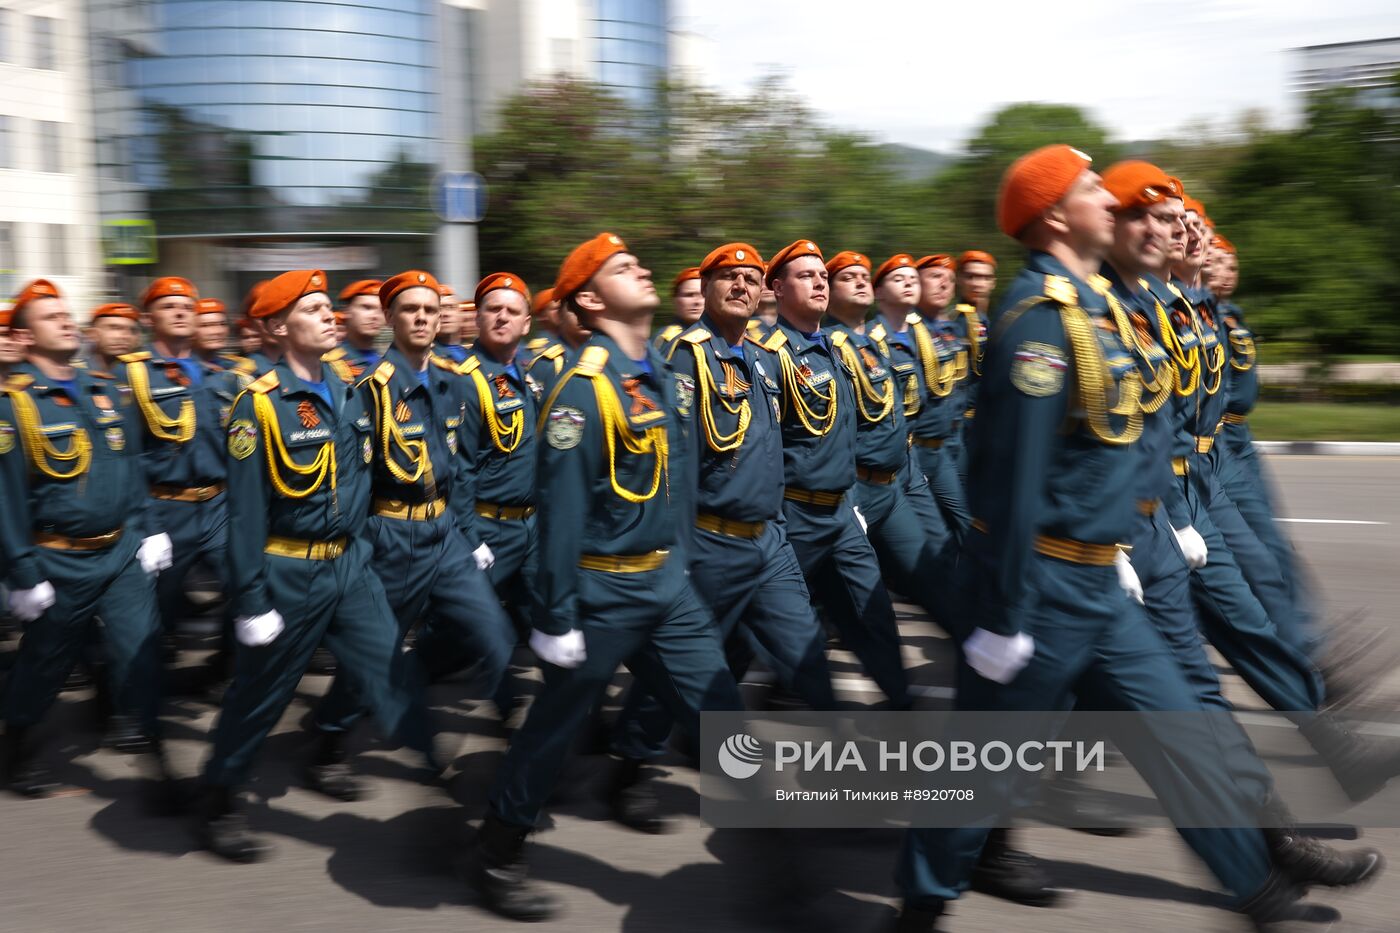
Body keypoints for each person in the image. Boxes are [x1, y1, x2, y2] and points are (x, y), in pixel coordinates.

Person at [893, 145, 1309, 933]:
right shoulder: (1040, 322)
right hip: (1040, 590)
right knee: (979, 773)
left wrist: (1145, 530)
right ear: (1056, 216)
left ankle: (1261, 897)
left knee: (1181, 740)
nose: (1111, 203)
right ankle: (920, 906)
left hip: (1101, 583)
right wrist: (1004, 617)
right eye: (1094, 190)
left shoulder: (1097, 310)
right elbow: (1012, 482)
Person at [471, 233, 743, 922]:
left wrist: (681, 562)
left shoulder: (661, 375)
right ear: (590, 301)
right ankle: (498, 848)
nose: (642, 269)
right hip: (602, 594)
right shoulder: (583, 390)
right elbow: (560, 512)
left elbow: (678, 485)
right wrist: (555, 616)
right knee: (555, 727)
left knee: (724, 718)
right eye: (623, 268)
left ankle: (787, 859)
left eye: (637, 262)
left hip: (667, 587)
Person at [195, 269, 437, 862]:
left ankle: (414, 779)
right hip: (289, 571)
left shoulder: (351, 388)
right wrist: (251, 600)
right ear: (278, 328)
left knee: (390, 669)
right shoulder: (259, 405)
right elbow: (245, 515)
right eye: (313, 309)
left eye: (329, 307)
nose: (330, 316)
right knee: (261, 695)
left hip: (351, 565)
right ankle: (219, 796)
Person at [613, 243, 839, 831]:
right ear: (707, 287)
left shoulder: (764, 359)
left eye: (750, 278)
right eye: (728, 277)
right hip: (709, 543)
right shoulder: (685, 359)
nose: (741, 286)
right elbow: (674, 463)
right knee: (685, 665)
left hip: (768, 541)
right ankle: (632, 766)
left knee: (807, 654)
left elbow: (777, 447)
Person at [308, 270, 516, 800]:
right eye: (410, 310)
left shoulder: (452, 380)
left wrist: (469, 533)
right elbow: (351, 479)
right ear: (391, 319)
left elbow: (460, 464)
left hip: (445, 533)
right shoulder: (369, 390)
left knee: (493, 629)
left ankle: (519, 734)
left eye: (430, 309)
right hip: (393, 536)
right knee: (379, 651)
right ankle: (328, 737)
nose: (422, 318)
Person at [0, 279, 172, 796]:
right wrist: (23, 574)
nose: (66, 321)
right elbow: (6, 500)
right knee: (46, 662)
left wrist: (148, 530)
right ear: (25, 337)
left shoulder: (103, 390)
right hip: (58, 561)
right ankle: (18, 740)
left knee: (143, 648)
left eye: (65, 313)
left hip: (120, 552)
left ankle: (156, 758)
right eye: (50, 317)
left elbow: (130, 467)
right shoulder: (13, 405)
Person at [757, 239, 910, 709]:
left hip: (842, 512)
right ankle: (677, 722)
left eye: (822, 275)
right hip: (795, 516)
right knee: (754, 621)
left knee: (873, 613)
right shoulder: (770, 356)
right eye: (806, 276)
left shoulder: (833, 349)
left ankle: (903, 708)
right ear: (778, 289)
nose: (819, 282)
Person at [118, 278, 246, 680]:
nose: (179, 312)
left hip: (219, 506)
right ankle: (132, 690)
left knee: (246, 587)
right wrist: (148, 526)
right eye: (168, 306)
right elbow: (128, 459)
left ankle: (226, 668)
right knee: (156, 610)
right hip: (166, 508)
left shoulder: (222, 375)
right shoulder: (134, 375)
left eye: (187, 307)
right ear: (148, 318)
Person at [824, 251, 949, 613]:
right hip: (856, 486)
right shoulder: (830, 345)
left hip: (895, 479)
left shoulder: (872, 343)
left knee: (934, 573)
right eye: (848, 278)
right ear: (829, 291)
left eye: (864, 276)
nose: (860, 281)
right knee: (839, 594)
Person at [872, 253, 968, 546]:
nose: (944, 284)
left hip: (941, 446)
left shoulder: (927, 333)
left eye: (912, 279)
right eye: (900, 279)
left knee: (959, 526)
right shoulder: (875, 339)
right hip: (909, 451)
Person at [946, 251, 995, 483]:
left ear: (993, 282)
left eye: (984, 277)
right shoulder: (955, 322)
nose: (978, 283)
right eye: (971, 276)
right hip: (962, 423)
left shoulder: (987, 319)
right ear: (959, 280)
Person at [336, 279, 384, 378]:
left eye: (382, 310)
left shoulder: (388, 363)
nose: (375, 316)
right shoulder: (331, 363)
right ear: (346, 310)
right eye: (367, 307)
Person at [654, 266, 703, 351]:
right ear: (675, 299)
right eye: (689, 295)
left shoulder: (723, 336)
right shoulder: (662, 340)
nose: (697, 302)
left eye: (703, 295)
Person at [86, 303, 141, 373]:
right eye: (115, 328)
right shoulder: (77, 373)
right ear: (92, 334)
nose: (126, 336)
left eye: (132, 330)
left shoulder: (144, 373)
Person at [435, 283, 469, 363]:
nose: (445, 314)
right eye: (438, 308)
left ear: (461, 314)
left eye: (451, 307)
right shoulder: (423, 356)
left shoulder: (477, 354)